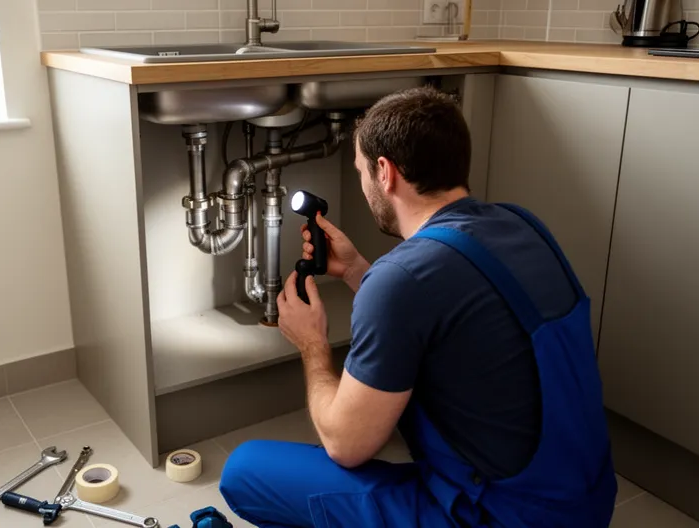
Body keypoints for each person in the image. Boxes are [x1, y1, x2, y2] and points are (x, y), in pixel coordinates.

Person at [218, 86, 617, 527]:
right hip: (586, 504)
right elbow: (443, 316)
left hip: (500, 518)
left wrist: (312, 343)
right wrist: (356, 271)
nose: (364, 182)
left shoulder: (402, 279)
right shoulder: (522, 225)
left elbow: (344, 443)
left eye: (361, 171)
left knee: (245, 471)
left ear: (385, 172)